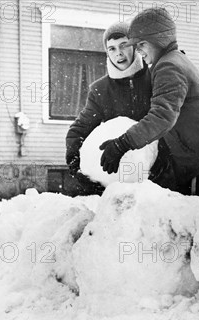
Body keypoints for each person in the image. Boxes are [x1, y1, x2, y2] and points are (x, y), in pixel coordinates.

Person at [98, 7, 199, 200]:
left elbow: (162, 117)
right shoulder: (172, 61)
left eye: (141, 44)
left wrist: (122, 144)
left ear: (158, 41)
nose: (138, 51)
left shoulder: (168, 66)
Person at [65, 21, 175, 195]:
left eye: (124, 45)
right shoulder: (100, 89)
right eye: (112, 48)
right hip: (115, 179)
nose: (119, 53)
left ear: (135, 47)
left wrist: (163, 162)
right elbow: (79, 129)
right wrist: (76, 166)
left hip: (159, 176)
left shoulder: (156, 79)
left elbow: (168, 120)